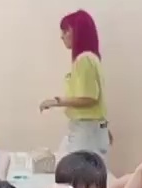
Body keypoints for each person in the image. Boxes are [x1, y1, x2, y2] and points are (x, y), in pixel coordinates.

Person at [39, 10, 109, 157]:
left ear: (77, 32)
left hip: (86, 130)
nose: (62, 36)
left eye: (66, 31)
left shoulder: (84, 60)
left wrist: (56, 101)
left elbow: (89, 97)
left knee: (79, 174)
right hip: (91, 129)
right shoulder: (92, 58)